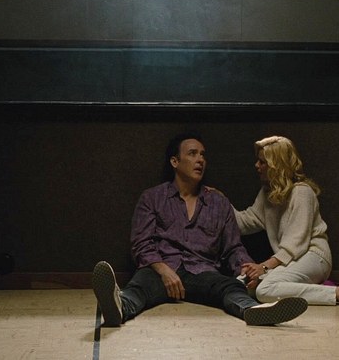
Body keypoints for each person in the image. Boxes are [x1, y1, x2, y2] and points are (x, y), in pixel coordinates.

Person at [92, 132, 308, 327]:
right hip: (162, 271)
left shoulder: (218, 203)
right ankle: (119, 307)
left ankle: (253, 311)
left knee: (231, 287)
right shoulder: (152, 198)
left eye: (203, 155)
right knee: (139, 285)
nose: (200, 160)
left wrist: (246, 268)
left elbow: (233, 247)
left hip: (203, 272)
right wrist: (163, 270)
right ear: (175, 161)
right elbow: (141, 244)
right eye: (192, 154)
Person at [234, 135, 339, 308]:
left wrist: (264, 268)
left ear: (276, 166)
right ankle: (315, 288)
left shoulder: (302, 193)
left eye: (262, 162)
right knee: (241, 284)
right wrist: (218, 200)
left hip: (314, 256)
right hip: (288, 260)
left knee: (264, 290)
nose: (256, 166)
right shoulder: (267, 195)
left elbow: (295, 244)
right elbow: (244, 222)